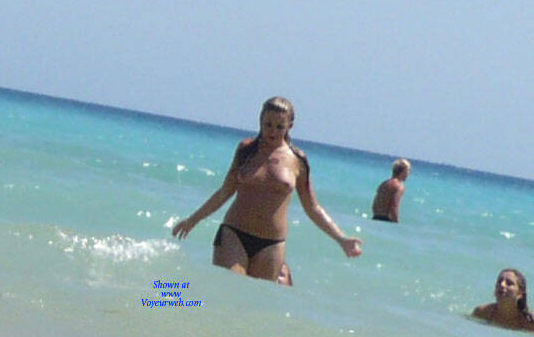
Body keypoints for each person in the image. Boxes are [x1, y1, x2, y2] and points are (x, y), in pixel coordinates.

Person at [172, 97, 362, 283]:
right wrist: (193, 220)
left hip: (272, 244)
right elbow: (225, 192)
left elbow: (312, 207)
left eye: (279, 126)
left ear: (289, 126)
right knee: (228, 287)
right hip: (234, 234)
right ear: (260, 120)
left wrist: (341, 239)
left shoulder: (298, 160)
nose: (272, 131)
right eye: (268, 124)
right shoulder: (246, 150)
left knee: (255, 299)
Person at [472, 268, 534, 333]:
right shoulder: (482, 312)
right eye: (499, 281)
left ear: (520, 293)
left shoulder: (532, 323)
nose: (502, 284)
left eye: (509, 283)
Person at [371, 158, 411, 222]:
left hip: (375, 217)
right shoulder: (399, 186)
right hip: (386, 220)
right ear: (403, 172)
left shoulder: (384, 184)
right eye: (408, 171)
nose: (409, 174)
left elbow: (374, 206)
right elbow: (394, 206)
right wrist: (396, 223)